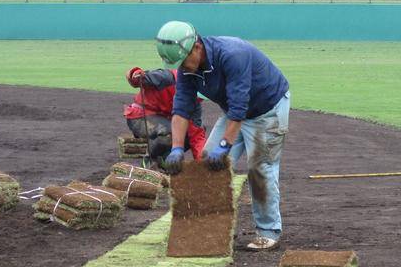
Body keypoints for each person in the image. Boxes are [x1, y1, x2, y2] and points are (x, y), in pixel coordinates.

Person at [155, 21, 290, 252]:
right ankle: (212, 228)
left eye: (184, 62)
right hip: (236, 111)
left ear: (196, 47)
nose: (183, 69)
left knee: (259, 168)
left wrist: (225, 145)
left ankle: (268, 233)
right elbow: (181, 108)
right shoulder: (188, 69)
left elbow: (239, 107)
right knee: (208, 160)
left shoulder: (232, 54)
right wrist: (177, 148)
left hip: (267, 109)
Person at [123, 66, 207, 163]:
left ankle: (165, 160)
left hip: (164, 121)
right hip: (140, 116)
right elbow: (138, 79)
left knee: (194, 130)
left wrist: (202, 162)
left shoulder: (194, 102)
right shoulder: (168, 78)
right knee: (171, 133)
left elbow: (196, 135)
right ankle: (148, 161)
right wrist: (135, 74)